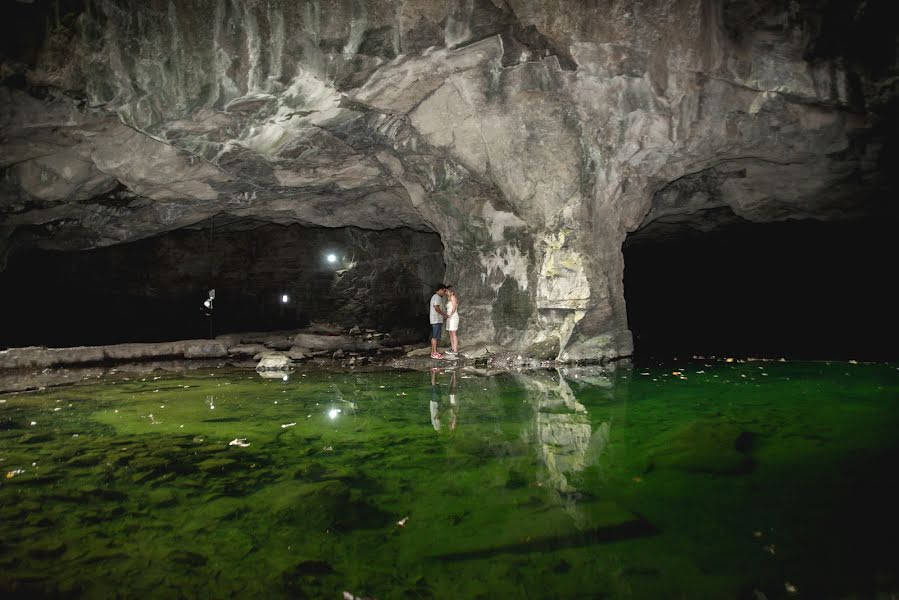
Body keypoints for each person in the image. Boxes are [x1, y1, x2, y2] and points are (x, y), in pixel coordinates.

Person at [428, 284, 448, 359]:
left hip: (435, 319)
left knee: (434, 336)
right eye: (444, 291)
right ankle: (434, 353)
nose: (444, 293)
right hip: (436, 319)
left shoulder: (435, 297)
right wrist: (444, 315)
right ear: (440, 290)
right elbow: (436, 308)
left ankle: (433, 352)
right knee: (435, 337)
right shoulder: (437, 297)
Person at [445, 285, 460, 356]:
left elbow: (454, 307)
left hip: (453, 317)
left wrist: (451, 315)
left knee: (454, 334)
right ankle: (453, 348)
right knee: (450, 334)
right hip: (449, 317)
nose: (446, 292)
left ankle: (455, 350)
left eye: (447, 291)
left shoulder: (453, 297)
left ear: (450, 291)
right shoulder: (449, 298)